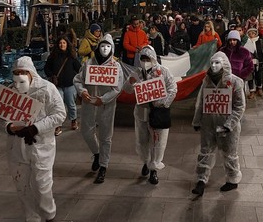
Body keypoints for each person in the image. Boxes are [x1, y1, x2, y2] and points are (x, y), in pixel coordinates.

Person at [5, 56, 66, 222]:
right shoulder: (10, 91)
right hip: (17, 147)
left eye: (23, 72)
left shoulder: (47, 89)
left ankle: (49, 215)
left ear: (31, 72)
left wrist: (36, 128)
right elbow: (0, 115)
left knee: (42, 185)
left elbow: (59, 114)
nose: (19, 75)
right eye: (16, 73)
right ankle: (32, 217)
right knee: (22, 186)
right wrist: (9, 127)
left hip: (41, 146)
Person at [191, 51, 246, 196]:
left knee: (229, 153)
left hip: (227, 124)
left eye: (217, 63)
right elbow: (201, 102)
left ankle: (232, 180)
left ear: (224, 64)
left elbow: (240, 106)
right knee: (205, 152)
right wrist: (197, 120)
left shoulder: (235, 82)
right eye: (212, 63)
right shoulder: (206, 80)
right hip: (208, 123)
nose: (214, 66)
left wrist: (230, 124)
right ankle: (201, 180)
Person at [123, 45, 177, 184]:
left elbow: (172, 88)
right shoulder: (137, 73)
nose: (145, 61)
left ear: (153, 58)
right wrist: (130, 82)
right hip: (141, 112)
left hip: (157, 113)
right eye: (143, 58)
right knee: (142, 141)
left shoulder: (163, 72)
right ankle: (146, 162)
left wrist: (163, 103)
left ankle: (154, 169)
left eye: (148, 58)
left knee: (157, 142)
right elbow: (127, 89)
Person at [74, 34, 124, 183]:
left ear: (112, 49)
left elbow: (117, 88)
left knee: (106, 136)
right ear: (98, 47)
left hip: (106, 106)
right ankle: (97, 153)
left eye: (108, 46)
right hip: (89, 102)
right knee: (86, 131)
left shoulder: (116, 66)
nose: (104, 49)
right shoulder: (89, 63)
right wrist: (82, 91)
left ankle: (103, 165)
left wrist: (103, 100)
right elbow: (78, 79)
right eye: (102, 46)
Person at [44, 36, 81, 135]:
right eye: (60, 43)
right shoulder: (52, 57)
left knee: (71, 104)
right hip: (58, 86)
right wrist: (51, 75)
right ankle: (58, 125)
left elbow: (79, 68)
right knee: (59, 106)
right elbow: (46, 68)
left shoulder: (71, 56)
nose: (62, 45)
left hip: (70, 85)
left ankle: (73, 120)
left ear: (67, 44)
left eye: (64, 43)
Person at [243, 28, 263, 98]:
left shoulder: (260, 41)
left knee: (259, 75)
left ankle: (259, 88)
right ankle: (252, 91)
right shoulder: (246, 42)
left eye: (253, 33)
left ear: (256, 34)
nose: (251, 35)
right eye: (250, 33)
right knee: (250, 77)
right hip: (249, 62)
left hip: (259, 62)